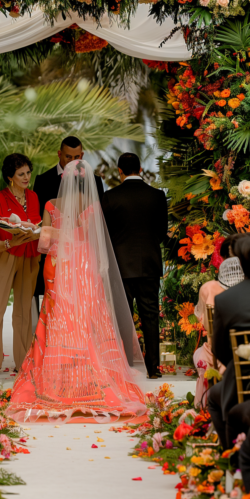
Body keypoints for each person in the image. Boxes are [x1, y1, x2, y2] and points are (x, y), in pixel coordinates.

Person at [5, 160, 145, 423]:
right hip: (85, 265)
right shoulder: (92, 207)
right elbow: (96, 241)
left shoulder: (51, 204)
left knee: (57, 317)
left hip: (58, 264)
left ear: (64, 181)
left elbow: (44, 244)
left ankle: (57, 378)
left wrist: (44, 232)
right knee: (87, 318)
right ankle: (90, 378)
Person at [0, 153, 42, 378]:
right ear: (10, 177)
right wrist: (10, 242)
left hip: (30, 256)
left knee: (23, 312)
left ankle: (22, 362)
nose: (26, 177)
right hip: (7, 255)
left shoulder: (33, 197)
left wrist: (36, 232)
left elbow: (37, 225)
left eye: (28, 172)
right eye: (20, 174)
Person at [103, 153, 169, 379]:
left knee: (124, 317)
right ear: (140, 169)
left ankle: (126, 365)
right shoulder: (157, 195)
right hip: (149, 264)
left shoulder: (110, 197)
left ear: (119, 171)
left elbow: (106, 234)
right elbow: (161, 232)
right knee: (150, 315)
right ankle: (154, 368)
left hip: (121, 266)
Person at [32, 137, 106, 309]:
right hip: (55, 260)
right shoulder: (43, 180)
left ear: (82, 155)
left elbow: (99, 223)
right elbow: (38, 219)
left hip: (84, 259)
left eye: (76, 157)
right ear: (59, 154)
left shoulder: (94, 181)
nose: (72, 161)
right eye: (68, 157)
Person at [207, 234, 250, 449]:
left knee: (214, 396)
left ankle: (230, 451)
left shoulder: (226, 300)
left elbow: (219, 349)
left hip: (241, 379)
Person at [192, 236, 243, 408]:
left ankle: (205, 406)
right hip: (245, 353)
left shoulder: (208, 288)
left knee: (201, 355)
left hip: (216, 354)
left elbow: (203, 321)